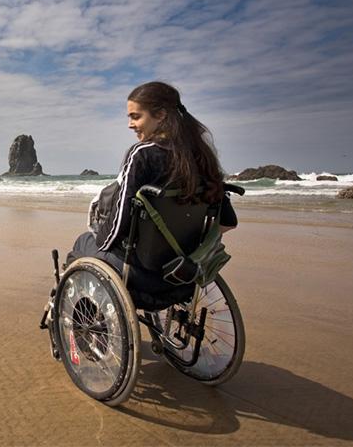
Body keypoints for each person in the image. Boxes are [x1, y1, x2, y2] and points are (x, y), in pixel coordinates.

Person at [66, 81, 237, 309]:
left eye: (136, 117)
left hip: (141, 278)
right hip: (182, 274)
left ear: (161, 115)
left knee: (84, 242)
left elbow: (116, 230)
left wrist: (99, 238)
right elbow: (227, 222)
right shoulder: (201, 156)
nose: (130, 125)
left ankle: (84, 318)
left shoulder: (142, 154)